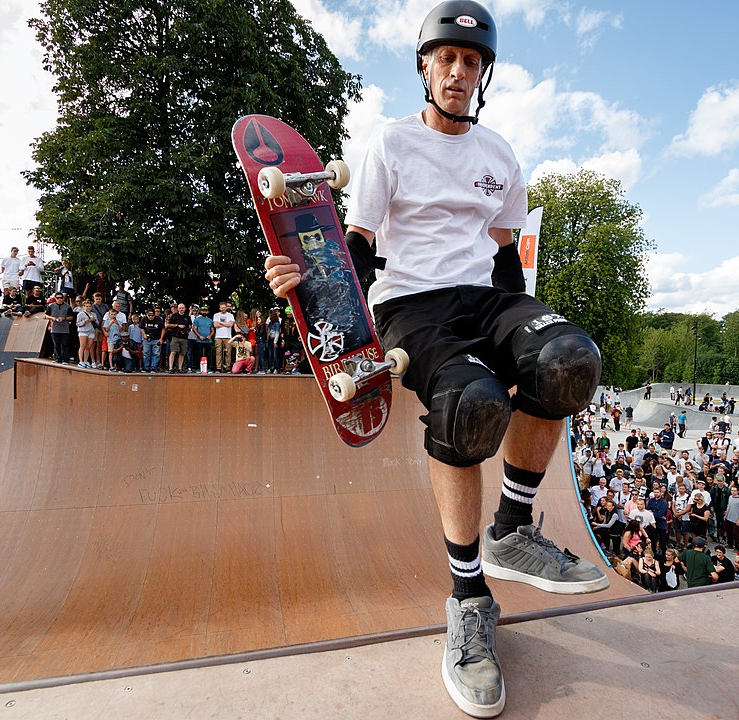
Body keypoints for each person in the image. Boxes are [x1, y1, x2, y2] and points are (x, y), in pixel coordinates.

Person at [266, 7, 612, 710]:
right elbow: (354, 243)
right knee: (471, 405)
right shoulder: (389, 144)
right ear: (425, 66)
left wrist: (524, 344)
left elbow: (506, 260)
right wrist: (309, 285)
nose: (458, 73)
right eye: (446, 59)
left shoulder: (500, 155)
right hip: (411, 307)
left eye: (471, 62)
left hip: (485, 296)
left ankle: (514, 532)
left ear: (484, 73)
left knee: (570, 358)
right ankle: (469, 599)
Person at [45, 292, 74, 363]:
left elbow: (71, 317)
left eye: (61, 298)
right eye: (58, 298)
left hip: (65, 328)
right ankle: (57, 358)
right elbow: (46, 316)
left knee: (65, 344)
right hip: (55, 328)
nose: (60, 299)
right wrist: (53, 318)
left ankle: (65, 359)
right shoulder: (51, 306)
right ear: (55, 298)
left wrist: (64, 318)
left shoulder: (67, 306)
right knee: (56, 344)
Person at [76, 298, 99, 368]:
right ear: (83, 307)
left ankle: (86, 361)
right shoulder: (80, 314)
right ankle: (81, 361)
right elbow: (77, 323)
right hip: (83, 331)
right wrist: (84, 321)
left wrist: (93, 320)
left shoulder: (94, 314)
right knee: (82, 346)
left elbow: (97, 323)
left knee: (88, 347)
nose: (88, 308)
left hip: (91, 331)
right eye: (86, 306)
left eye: (89, 306)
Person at [213, 301, 235, 372]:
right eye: (222, 308)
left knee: (228, 353)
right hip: (218, 336)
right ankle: (218, 368)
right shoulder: (216, 315)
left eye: (224, 307)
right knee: (218, 352)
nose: (223, 309)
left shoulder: (230, 315)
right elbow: (216, 325)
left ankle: (227, 367)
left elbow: (230, 325)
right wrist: (226, 323)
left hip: (228, 336)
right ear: (219, 308)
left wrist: (220, 323)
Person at [141, 307, 163, 372]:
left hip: (156, 338)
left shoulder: (159, 319)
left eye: (152, 315)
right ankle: (146, 367)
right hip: (147, 339)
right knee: (146, 353)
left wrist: (161, 338)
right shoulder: (144, 319)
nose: (150, 317)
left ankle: (154, 367)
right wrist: (144, 334)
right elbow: (141, 327)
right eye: (149, 315)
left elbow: (163, 329)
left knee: (156, 354)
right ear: (146, 314)